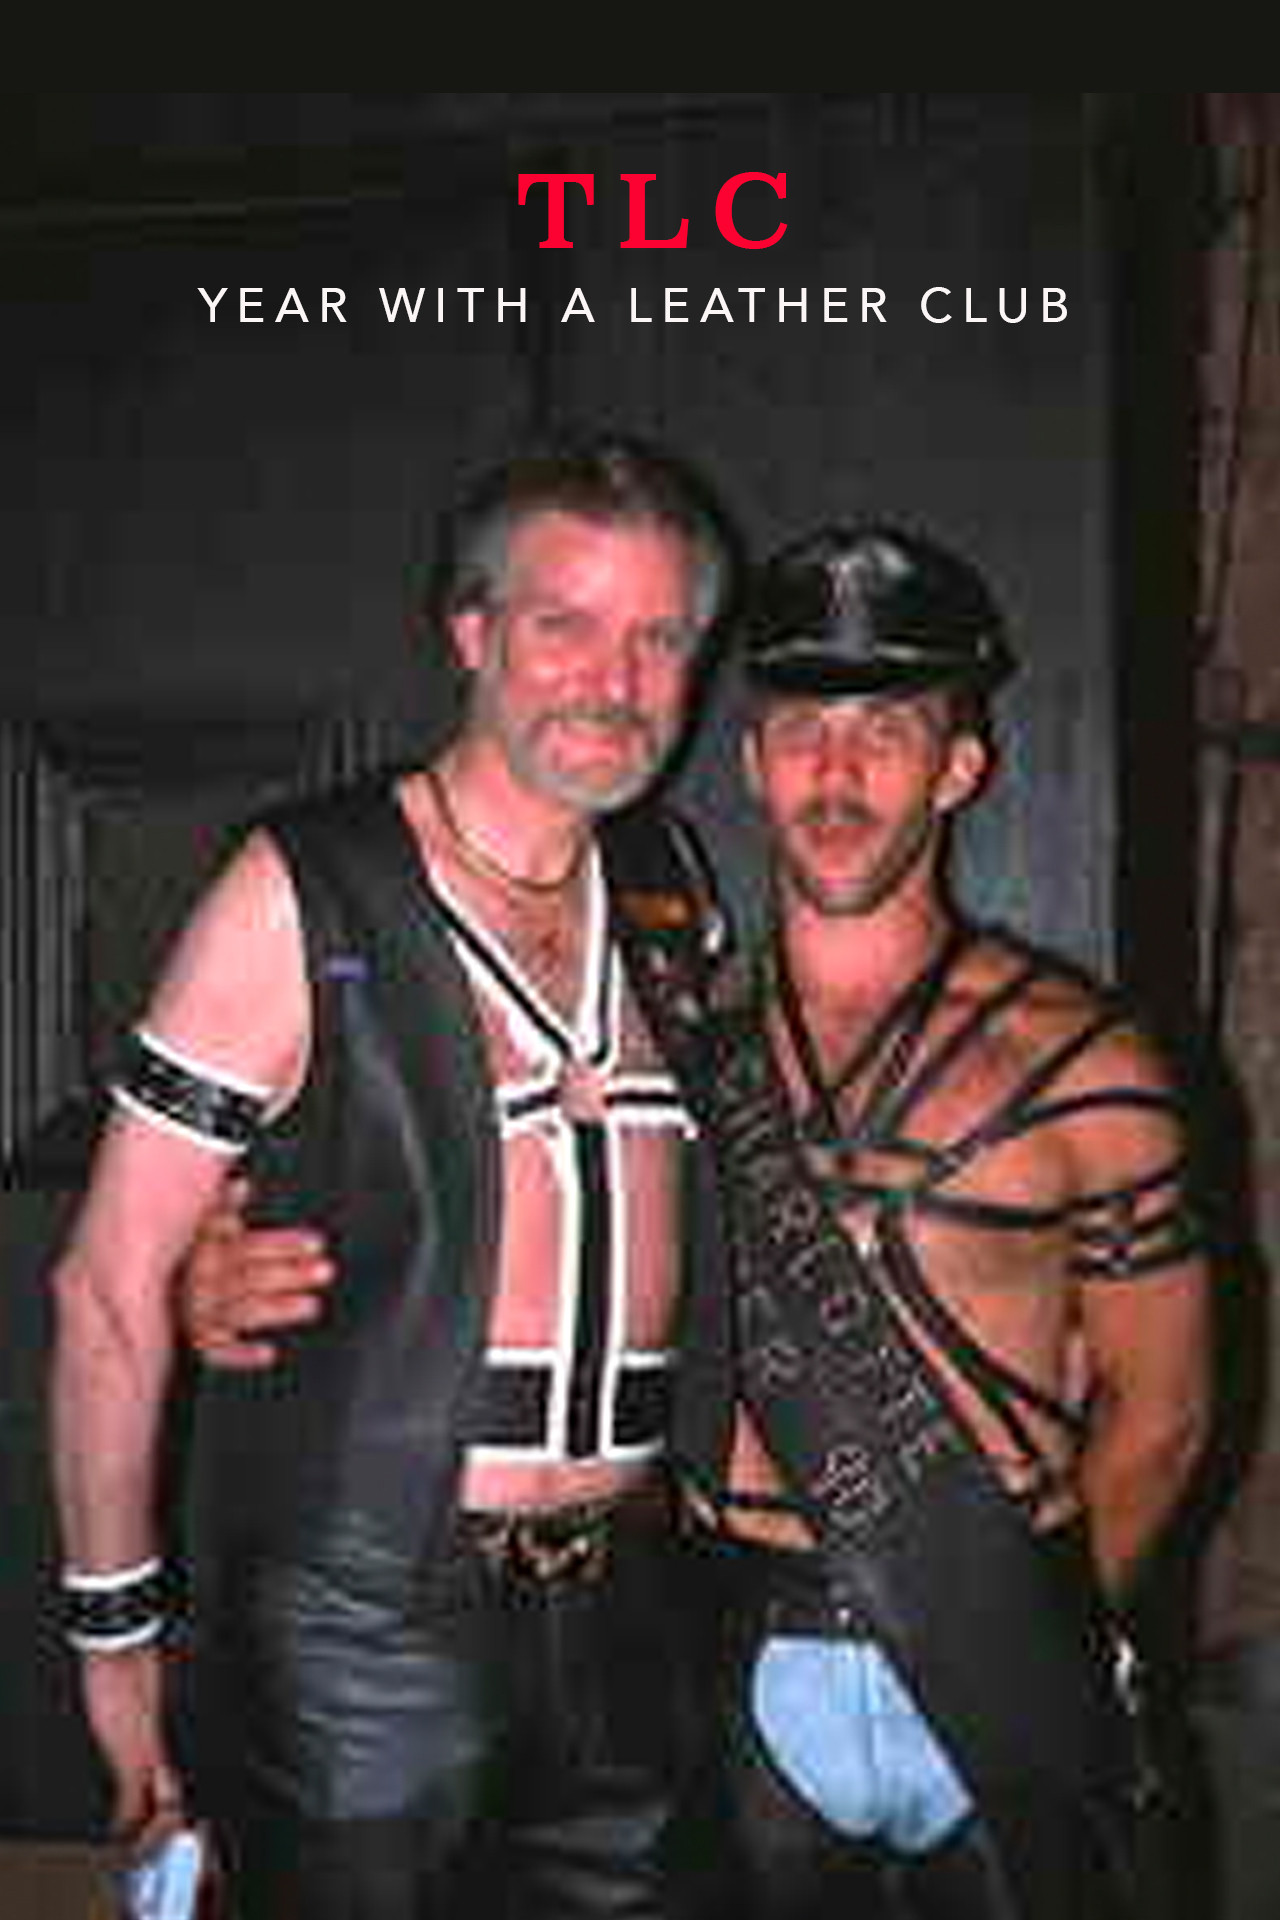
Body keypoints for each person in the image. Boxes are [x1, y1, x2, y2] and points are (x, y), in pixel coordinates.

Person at [187, 524, 1212, 1920]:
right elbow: (458, 1221)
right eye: (800, 732)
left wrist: (1028, 1645)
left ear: (960, 767)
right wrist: (216, 1269)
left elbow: (1166, 1415)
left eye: (887, 733)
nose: (836, 778)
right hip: (718, 1665)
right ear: (747, 762)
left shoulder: (1088, 1066)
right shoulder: (656, 1045)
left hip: (990, 1662)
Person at [48, 438, 735, 1919]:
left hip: (630, 1616)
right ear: (471, 632)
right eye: (565, 624)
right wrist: (115, 1637)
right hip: (359, 1628)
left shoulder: (671, 886)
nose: (614, 682)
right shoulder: (302, 887)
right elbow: (106, 1287)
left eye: (659, 637)